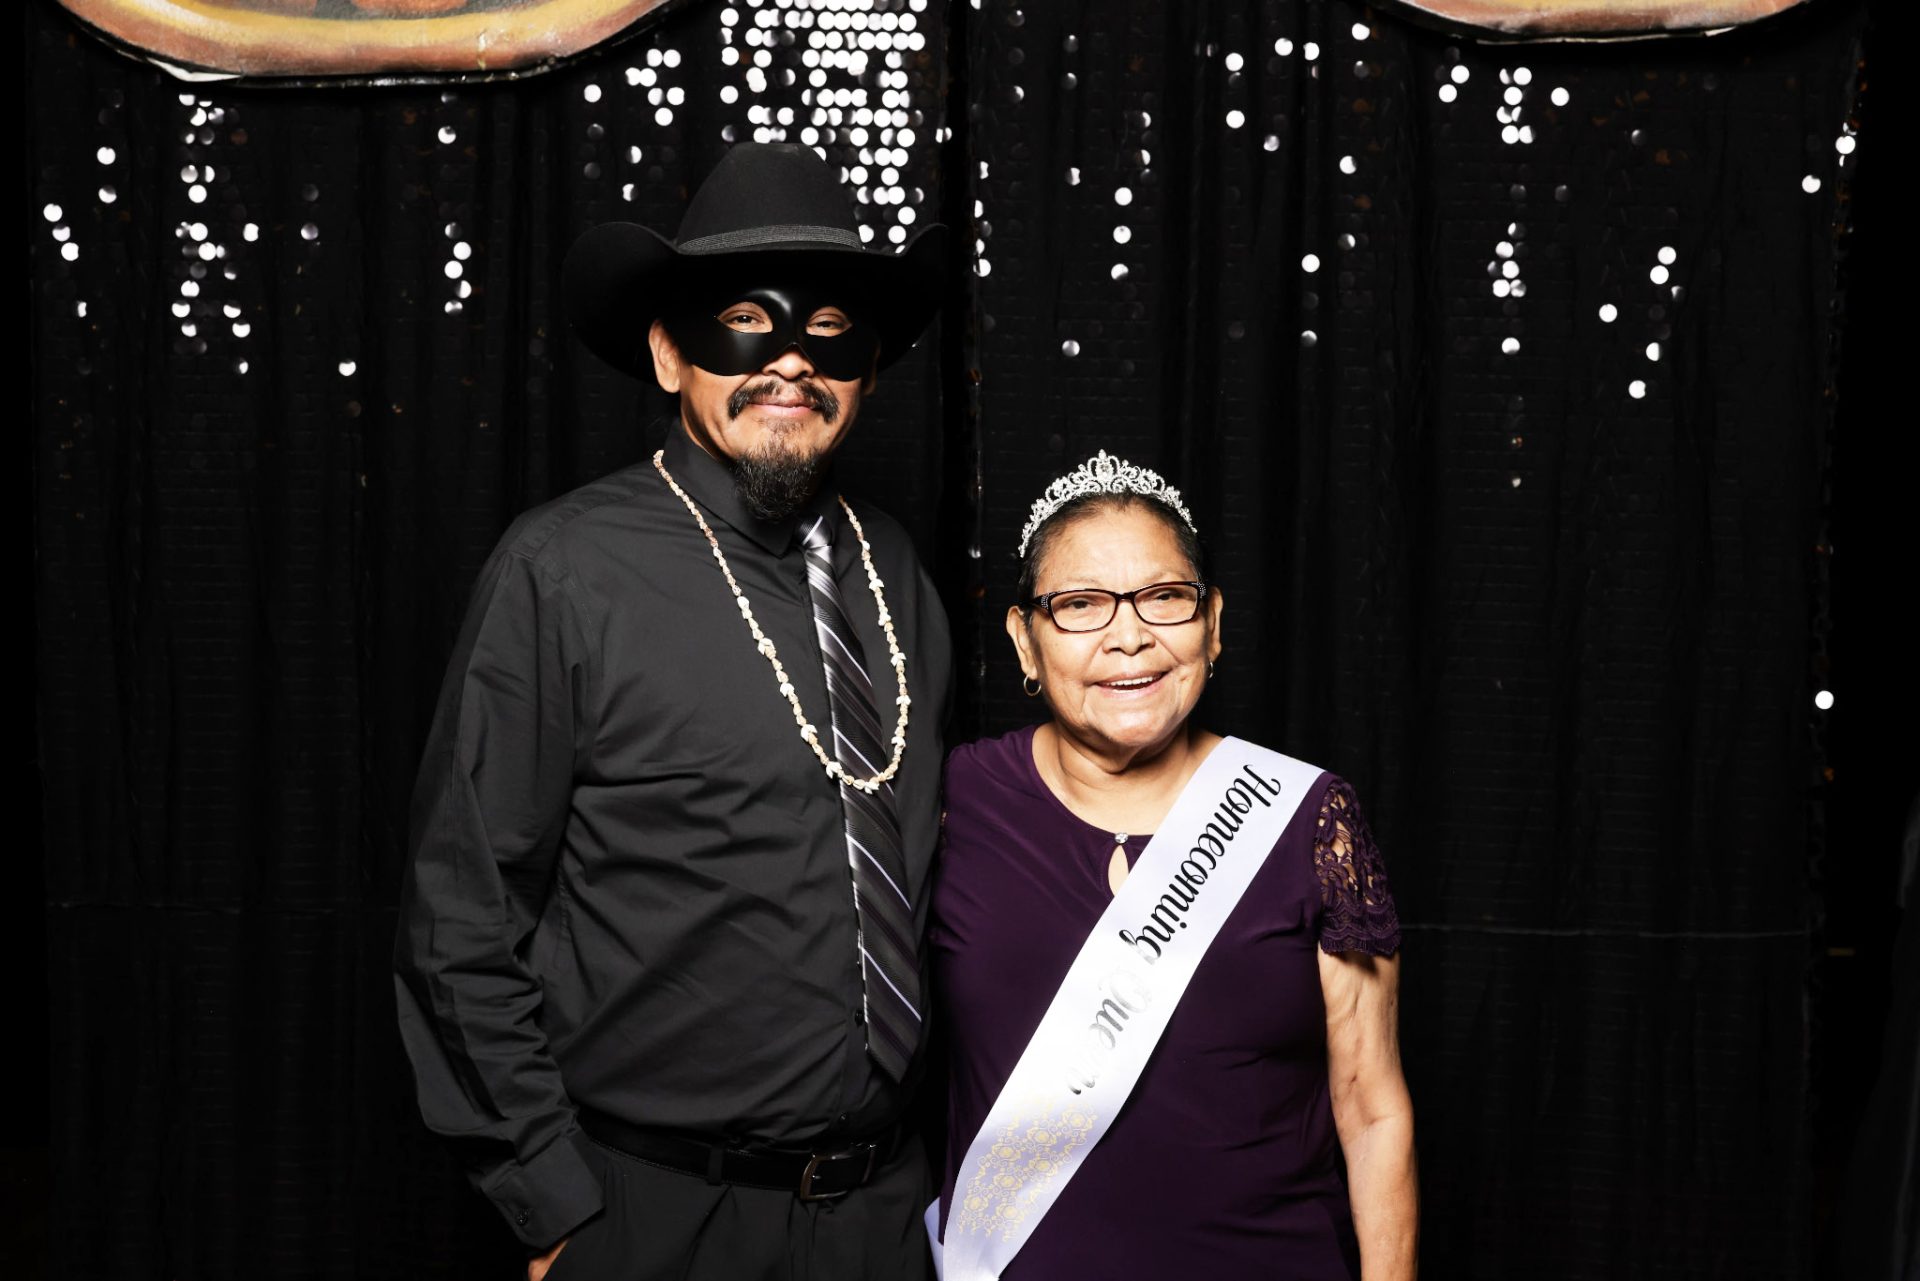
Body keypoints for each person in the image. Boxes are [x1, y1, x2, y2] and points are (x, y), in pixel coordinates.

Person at [394, 143, 951, 1281]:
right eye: (746, 317)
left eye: (833, 328)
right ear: (665, 353)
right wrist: (550, 1201)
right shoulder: (565, 570)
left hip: (883, 1212)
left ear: (873, 370)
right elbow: (463, 908)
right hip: (653, 1213)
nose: (792, 358)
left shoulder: (893, 567)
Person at [928, 452, 1417, 1280]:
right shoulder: (955, 801)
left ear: (1213, 623)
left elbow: (1372, 1108)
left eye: (1165, 598)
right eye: (1080, 604)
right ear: (1025, 637)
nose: (1130, 635)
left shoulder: (1305, 816)